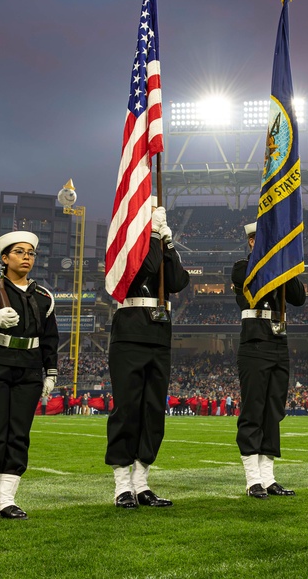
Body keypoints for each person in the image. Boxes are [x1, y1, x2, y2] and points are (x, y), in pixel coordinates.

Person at [0, 230, 59, 523]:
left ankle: (7, 500)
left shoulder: (44, 297)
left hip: (28, 369)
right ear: (3, 258)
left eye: (30, 253)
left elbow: (50, 339)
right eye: (19, 252)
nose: (26, 257)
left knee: (18, 436)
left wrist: (51, 372)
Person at [106, 200, 190, 509]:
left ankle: (141, 483)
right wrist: (154, 237)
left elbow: (178, 281)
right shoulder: (125, 248)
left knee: (153, 410)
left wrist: (168, 245)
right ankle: (121, 486)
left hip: (158, 334)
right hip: (129, 334)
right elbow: (146, 269)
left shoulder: (159, 244)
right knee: (127, 409)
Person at [233, 221, 306, 498]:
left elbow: (298, 297)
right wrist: (271, 259)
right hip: (254, 341)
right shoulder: (242, 266)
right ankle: (253, 479)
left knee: (273, 412)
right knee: (254, 409)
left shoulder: (280, 269)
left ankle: (268, 477)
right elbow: (252, 284)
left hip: (278, 341)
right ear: (252, 242)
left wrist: (287, 264)